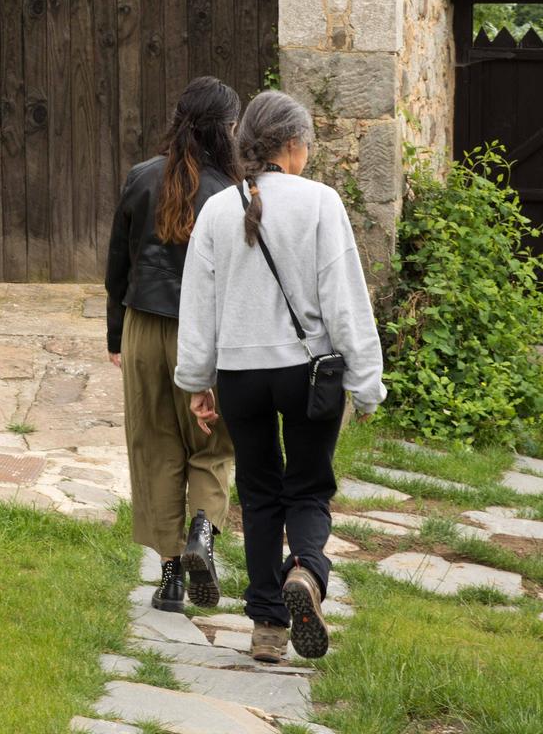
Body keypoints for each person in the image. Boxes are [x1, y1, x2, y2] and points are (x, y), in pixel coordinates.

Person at [173, 89, 385, 664]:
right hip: (307, 374)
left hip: (241, 376)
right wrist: (366, 380)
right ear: (292, 145)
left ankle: (267, 625)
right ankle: (308, 575)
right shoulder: (320, 204)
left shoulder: (218, 208)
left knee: (260, 493)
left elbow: (198, 303)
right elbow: (345, 303)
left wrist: (197, 380)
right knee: (310, 486)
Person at [104, 76, 241, 614]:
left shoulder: (140, 178)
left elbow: (118, 267)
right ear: (225, 131)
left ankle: (170, 581)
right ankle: (202, 535)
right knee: (212, 444)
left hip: (143, 328)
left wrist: (116, 336)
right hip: (204, 333)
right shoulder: (232, 193)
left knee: (155, 447)